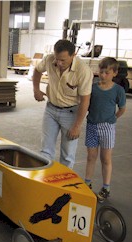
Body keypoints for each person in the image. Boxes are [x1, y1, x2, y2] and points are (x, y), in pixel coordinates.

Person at [32, 39, 93, 168]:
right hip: (51, 110)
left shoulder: (83, 71)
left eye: (63, 60)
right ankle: (45, 183)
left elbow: (85, 101)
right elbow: (37, 71)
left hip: (71, 113)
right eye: (57, 59)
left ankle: (63, 185)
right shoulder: (49, 60)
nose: (59, 63)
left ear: (73, 55)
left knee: (67, 155)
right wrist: (36, 89)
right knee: (45, 152)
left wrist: (77, 126)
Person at [84, 57, 126, 202]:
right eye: (101, 72)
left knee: (105, 158)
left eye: (107, 73)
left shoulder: (118, 90)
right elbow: (86, 104)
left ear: (114, 73)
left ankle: (106, 187)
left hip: (107, 128)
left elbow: (122, 108)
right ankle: (87, 184)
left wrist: (113, 118)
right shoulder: (93, 88)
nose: (103, 75)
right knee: (91, 156)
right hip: (92, 126)